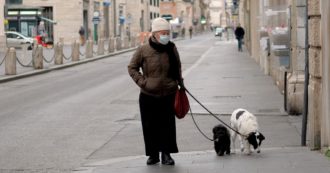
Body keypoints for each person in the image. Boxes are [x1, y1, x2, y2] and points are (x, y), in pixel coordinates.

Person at [128, 17, 183, 166]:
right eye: (163, 33)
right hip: (148, 94)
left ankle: (166, 154)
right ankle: (153, 155)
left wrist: (180, 84)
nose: (166, 36)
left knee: (167, 125)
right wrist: (143, 83)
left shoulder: (171, 48)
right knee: (150, 125)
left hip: (168, 93)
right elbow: (132, 67)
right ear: (155, 34)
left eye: (167, 33)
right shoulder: (143, 49)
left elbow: (177, 67)